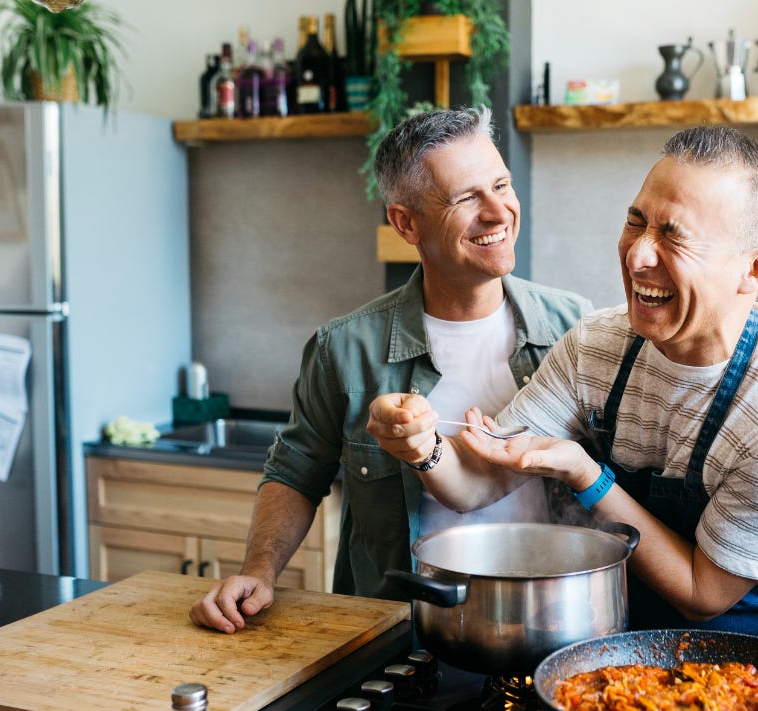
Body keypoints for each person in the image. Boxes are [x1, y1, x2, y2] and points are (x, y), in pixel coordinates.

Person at [368, 125, 758, 652]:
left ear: (752, 269)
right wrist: (423, 448)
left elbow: (701, 593)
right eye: (635, 221)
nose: (638, 255)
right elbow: (479, 481)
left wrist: (587, 476)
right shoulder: (596, 346)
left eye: (674, 235)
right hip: (623, 656)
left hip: (751, 670)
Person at [189, 107, 592, 633]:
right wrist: (258, 572)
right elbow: (293, 473)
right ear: (406, 222)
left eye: (501, 185)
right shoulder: (344, 348)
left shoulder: (579, 328)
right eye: (467, 198)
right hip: (401, 637)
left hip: (553, 628)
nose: (499, 212)